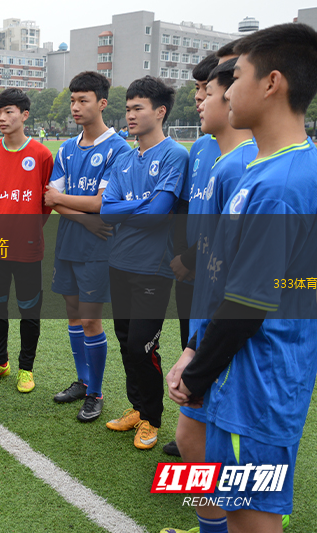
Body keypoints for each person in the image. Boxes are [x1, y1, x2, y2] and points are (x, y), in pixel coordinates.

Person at [166, 23, 317, 533]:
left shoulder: (282, 184)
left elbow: (248, 304)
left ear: (272, 83)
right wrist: (195, 348)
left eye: (238, 78)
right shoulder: (265, 169)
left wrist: (196, 374)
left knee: (250, 519)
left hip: (256, 383)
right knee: (231, 505)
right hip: (241, 374)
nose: (225, 92)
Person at [161, 58, 261, 533]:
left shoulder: (250, 167)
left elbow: (251, 285)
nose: (199, 98)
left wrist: (199, 355)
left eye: (212, 88)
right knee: (192, 437)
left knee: (229, 460)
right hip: (209, 318)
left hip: (237, 339)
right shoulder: (216, 155)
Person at [99, 76, 189, 450]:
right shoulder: (124, 157)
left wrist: (130, 208)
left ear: (160, 111)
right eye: (128, 108)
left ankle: (152, 417)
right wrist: (144, 204)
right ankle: (137, 408)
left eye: (138, 108)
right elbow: (106, 211)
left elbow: (158, 215)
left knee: (142, 345)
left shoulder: (174, 155)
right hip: (119, 262)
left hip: (153, 268)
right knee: (125, 342)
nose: (130, 115)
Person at [43, 71, 132, 422]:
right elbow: (50, 199)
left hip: (98, 248)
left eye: (83, 100)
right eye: (73, 100)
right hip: (70, 242)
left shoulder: (118, 149)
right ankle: (82, 381)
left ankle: (96, 391)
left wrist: (70, 204)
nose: (76, 107)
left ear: (102, 103)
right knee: (73, 314)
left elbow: (101, 203)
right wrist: (85, 217)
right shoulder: (66, 148)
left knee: (91, 319)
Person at [161, 52, 221, 458]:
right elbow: (184, 206)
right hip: (189, 271)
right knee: (190, 344)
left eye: (206, 88)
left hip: (216, 273)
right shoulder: (200, 146)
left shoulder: (248, 154)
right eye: (198, 88)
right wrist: (181, 255)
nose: (198, 97)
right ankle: (194, 426)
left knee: (216, 349)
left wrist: (192, 258)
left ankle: (210, 433)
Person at [0, 88, 53, 393]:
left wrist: (28, 229)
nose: (2, 118)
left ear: (24, 115)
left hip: (28, 248)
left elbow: (46, 203)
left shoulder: (41, 155)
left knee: (28, 310)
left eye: (9, 112)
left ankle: (26, 369)